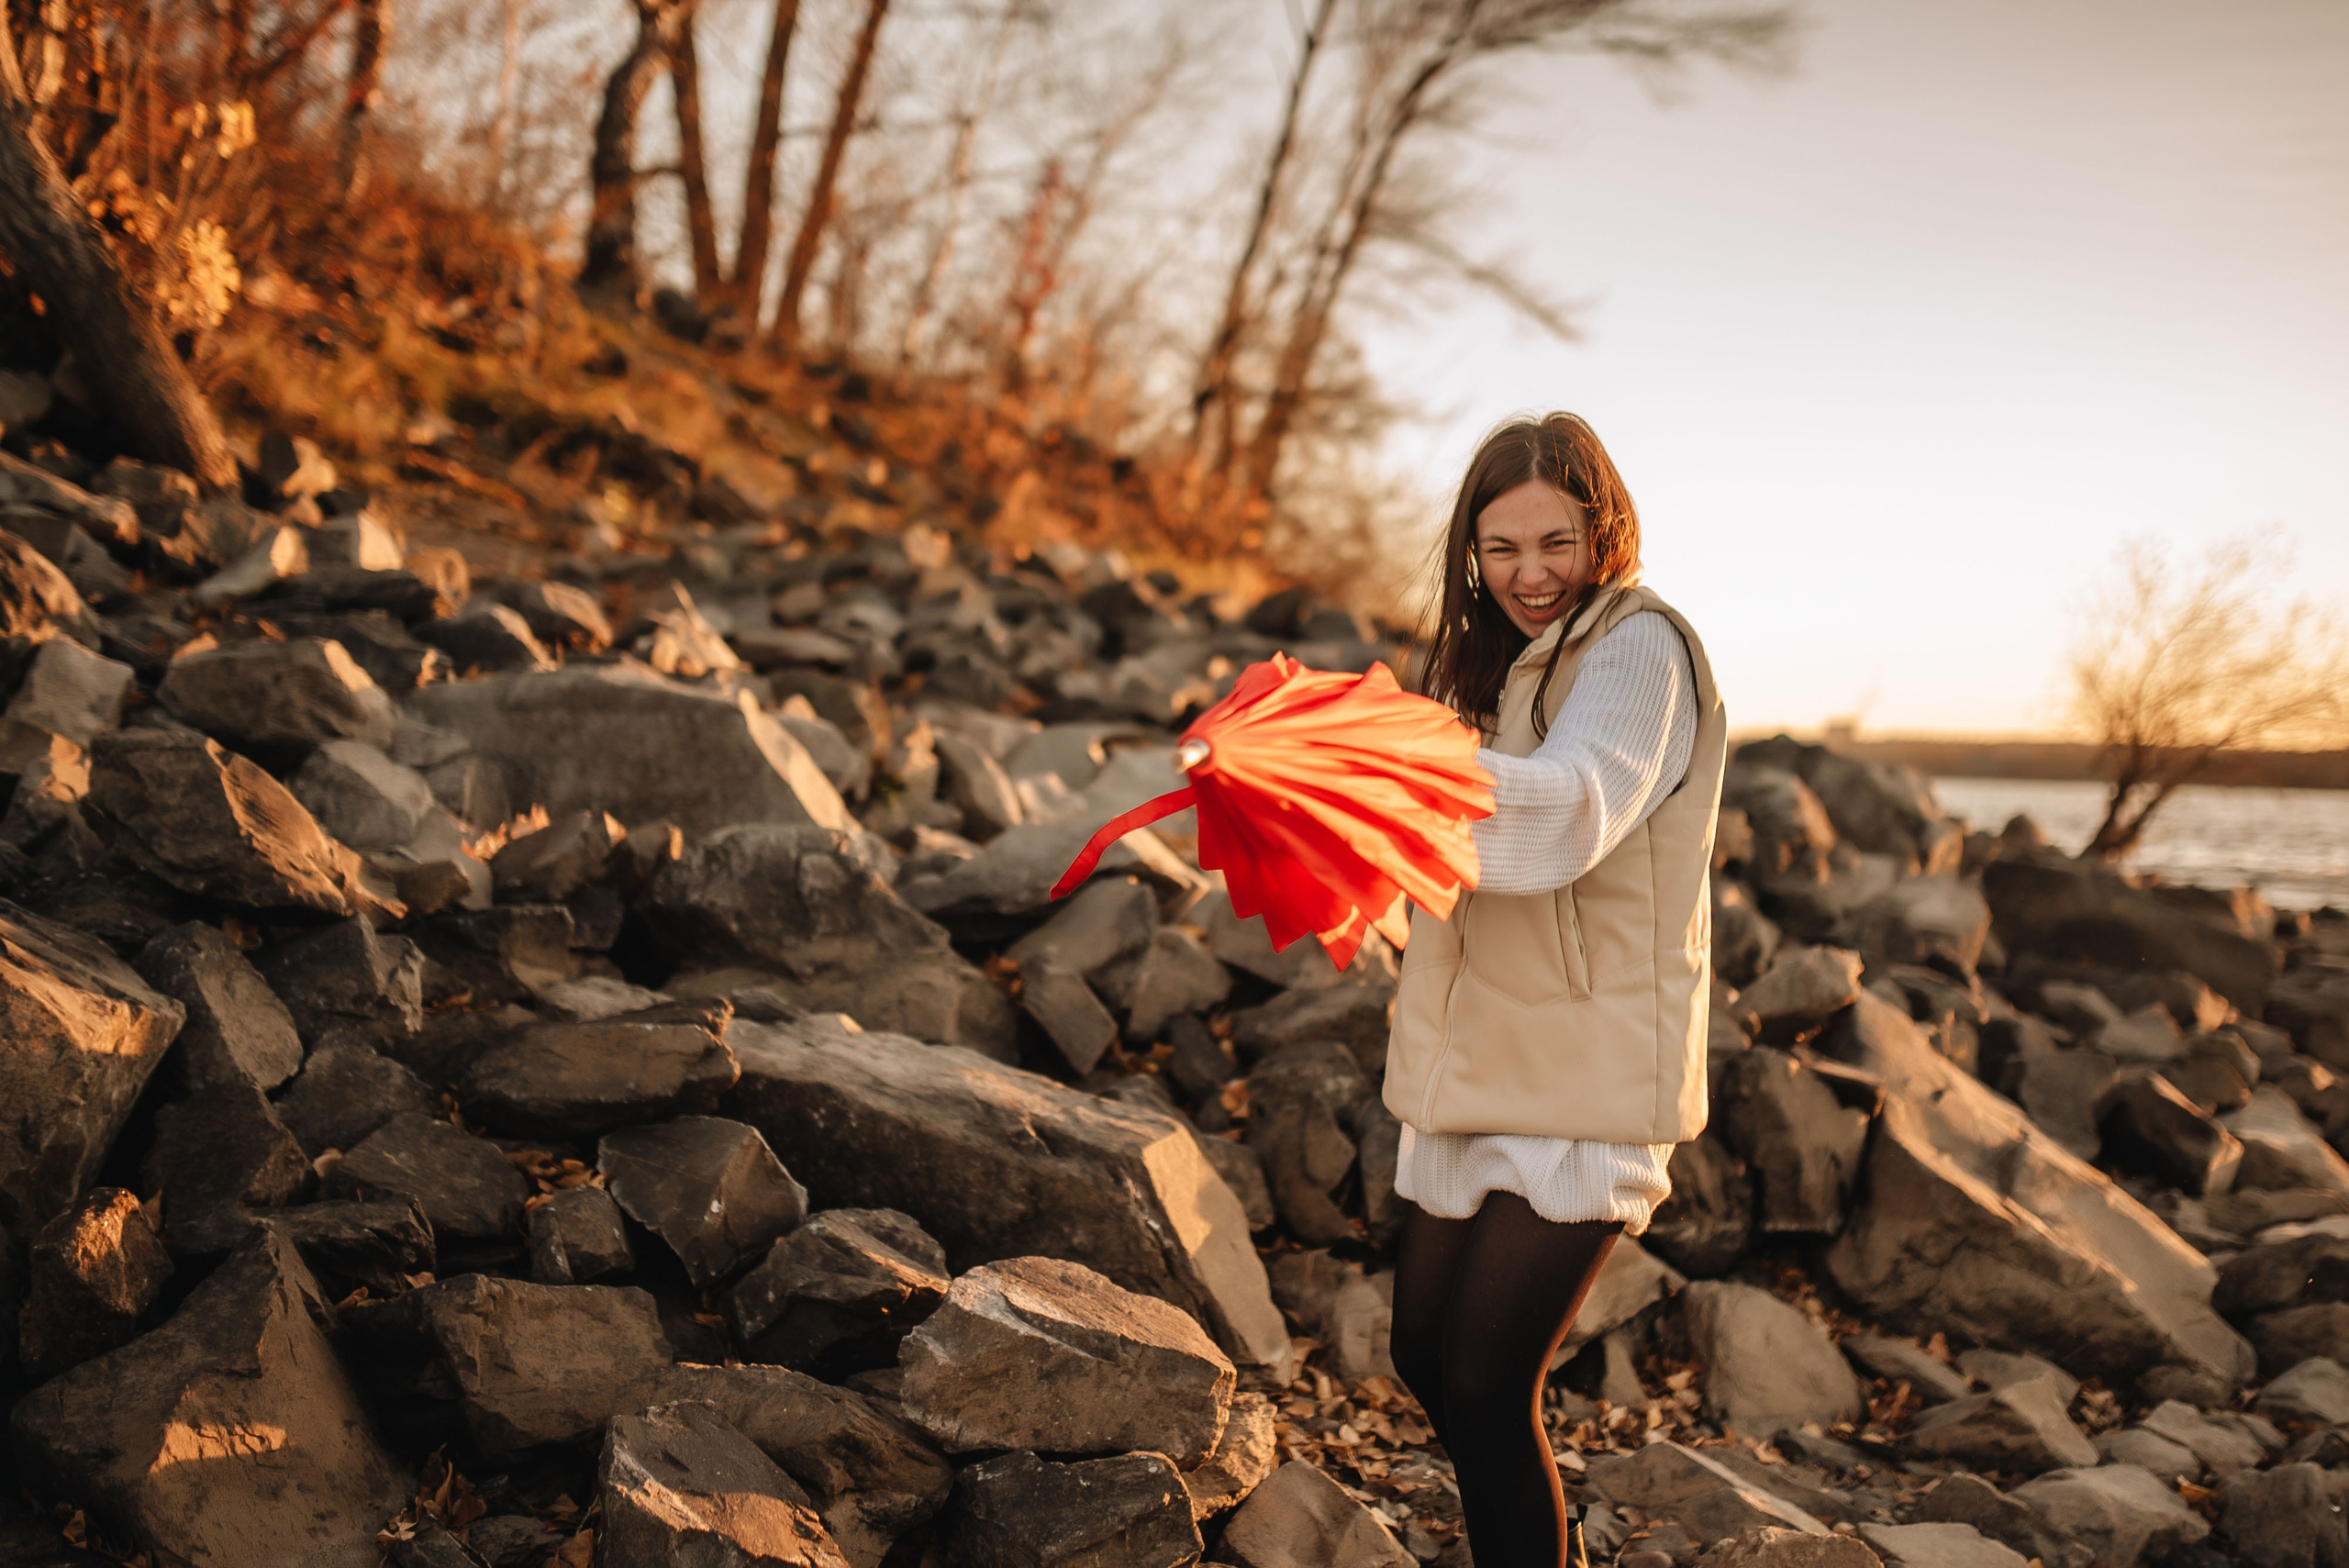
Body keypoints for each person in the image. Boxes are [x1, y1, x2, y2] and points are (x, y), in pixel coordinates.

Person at [1383, 412, 1728, 1567]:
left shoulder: (1639, 648)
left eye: (1555, 542)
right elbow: (1436, 861)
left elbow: (1563, 815)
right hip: (1475, 1052)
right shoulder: (1480, 664)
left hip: (1581, 1065)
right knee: (1425, 1357)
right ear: (1469, 555)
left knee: (1486, 1379)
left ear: (1604, 531)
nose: (1530, 574)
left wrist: (1382, 762)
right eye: (1500, 549)